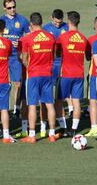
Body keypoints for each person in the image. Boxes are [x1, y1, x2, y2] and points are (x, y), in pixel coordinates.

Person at [20, 12, 58, 143]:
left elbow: (24, 59)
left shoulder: (27, 39)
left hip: (33, 75)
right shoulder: (51, 37)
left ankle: (31, 135)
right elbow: (54, 56)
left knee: (32, 105)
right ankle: (52, 133)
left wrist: (30, 66)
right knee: (49, 104)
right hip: (47, 73)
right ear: (41, 22)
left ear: (31, 24)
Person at [56, 11, 91, 136]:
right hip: (79, 75)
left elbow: (58, 53)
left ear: (69, 22)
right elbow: (88, 57)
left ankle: (63, 127)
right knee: (76, 102)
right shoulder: (83, 38)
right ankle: (74, 129)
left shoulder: (63, 37)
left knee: (59, 101)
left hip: (66, 74)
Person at [0, 0, 30, 118]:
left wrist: (21, 42)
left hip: (15, 57)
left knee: (17, 83)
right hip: (3, 56)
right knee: (3, 83)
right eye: (9, 8)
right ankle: (3, 108)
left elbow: (28, 37)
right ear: (4, 8)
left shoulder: (22, 20)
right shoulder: (1, 20)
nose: (12, 9)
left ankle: (16, 109)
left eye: (14, 7)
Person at [42, 9, 69, 137]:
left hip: (63, 64)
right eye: (55, 22)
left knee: (59, 96)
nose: (58, 24)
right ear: (51, 18)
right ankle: (43, 124)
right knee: (46, 96)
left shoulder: (67, 27)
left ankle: (62, 125)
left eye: (60, 22)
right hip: (49, 65)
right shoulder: (46, 28)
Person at [85, 15, 97, 138]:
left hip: (94, 74)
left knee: (93, 101)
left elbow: (88, 57)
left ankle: (94, 127)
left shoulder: (91, 39)